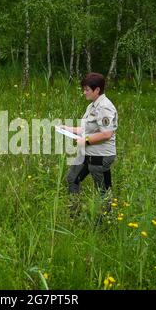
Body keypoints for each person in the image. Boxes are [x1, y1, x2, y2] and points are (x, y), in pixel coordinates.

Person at [61, 73, 118, 222]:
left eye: (87, 89)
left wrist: (85, 141)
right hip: (88, 154)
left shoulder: (105, 107)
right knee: (72, 178)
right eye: (84, 89)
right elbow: (85, 130)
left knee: (102, 190)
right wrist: (66, 128)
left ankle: (103, 221)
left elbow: (107, 134)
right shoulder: (92, 106)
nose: (84, 92)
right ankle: (74, 214)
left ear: (97, 90)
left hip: (100, 156)